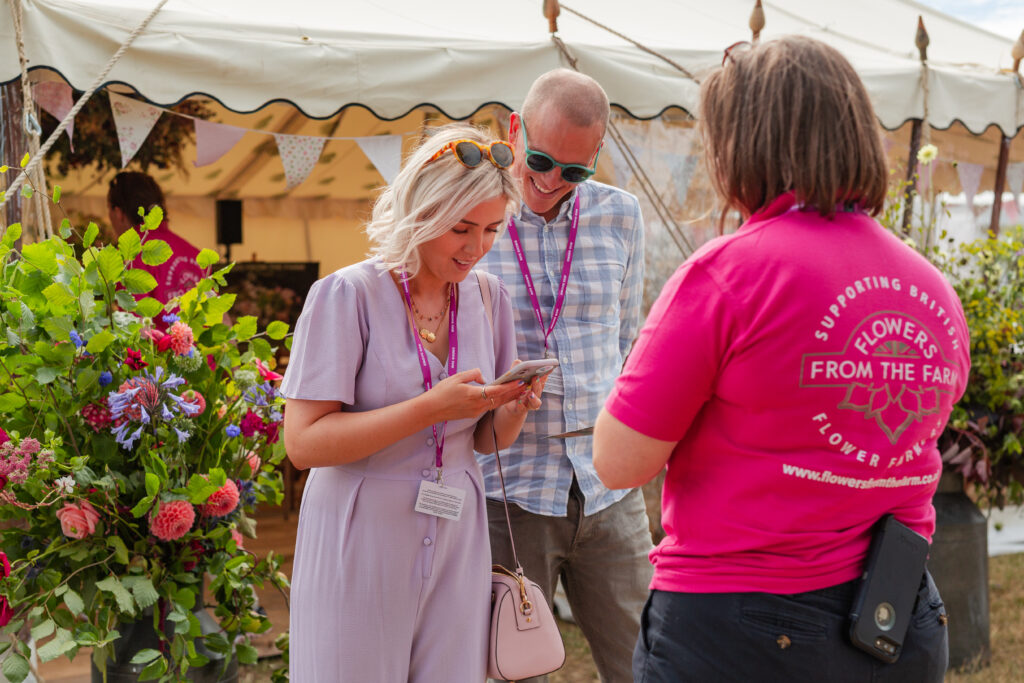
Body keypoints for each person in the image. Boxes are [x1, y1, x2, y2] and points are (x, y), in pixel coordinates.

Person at [593, 36, 970, 682]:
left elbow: (619, 461)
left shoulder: (727, 274)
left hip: (740, 625)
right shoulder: (931, 288)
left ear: (744, 145)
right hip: (894, 613)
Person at [281, 123, 548, 682]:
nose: (476, 248)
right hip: (361, 536)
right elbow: (303, 444)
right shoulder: (347, 295)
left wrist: (514, 407)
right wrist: (429, 408)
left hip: (459, 536)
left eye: (493, 231)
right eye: (461, 229)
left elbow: (483, 439)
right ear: (422, 210)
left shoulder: (488, 297)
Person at [477, 68, 651, 683]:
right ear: (514, 129)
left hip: (607, 487)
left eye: (574, 171)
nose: (551, 182)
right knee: (505, 670)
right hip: (509, 489)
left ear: (597, 157)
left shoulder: (622, 215)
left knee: (647, 665)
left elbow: (626, 343)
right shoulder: (475, 216)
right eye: (541, 160)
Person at [107, 171, 206, 303]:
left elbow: (133, 319)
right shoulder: (196, 255)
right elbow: (220, 317)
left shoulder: (130, 253)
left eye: (108, 210)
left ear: (118, 213)